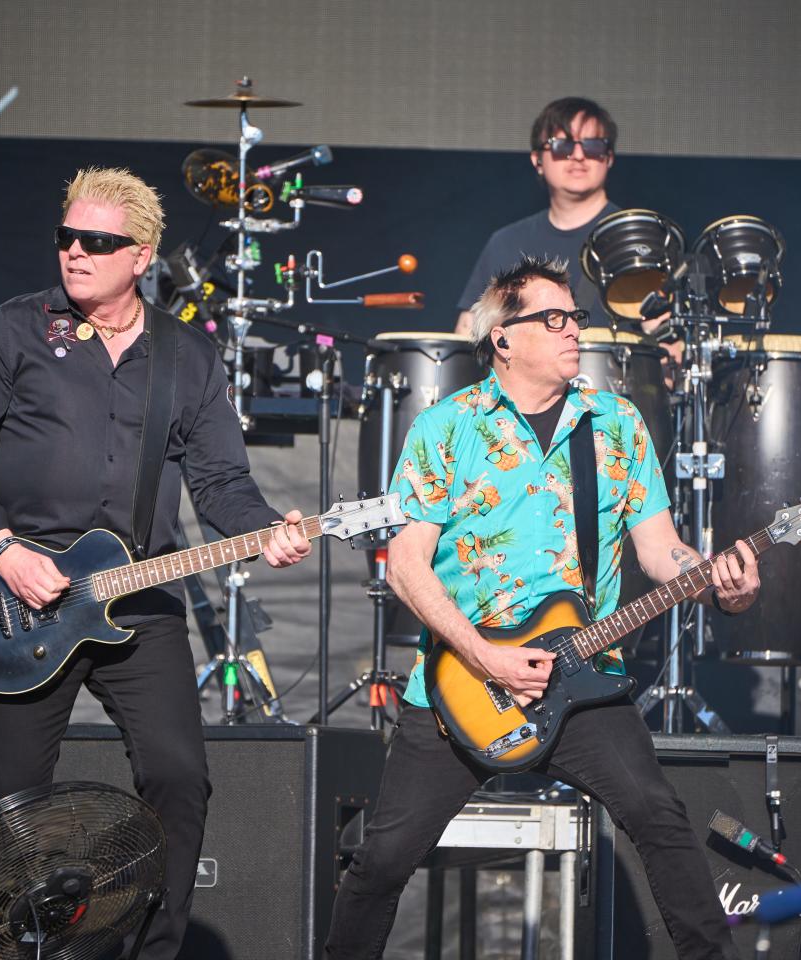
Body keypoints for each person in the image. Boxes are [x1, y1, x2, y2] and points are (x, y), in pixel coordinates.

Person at [0, 167, 311, 960]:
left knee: (179, 777)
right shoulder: (17, 327)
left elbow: (222, 484)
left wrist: (268, 529)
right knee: (7, 801)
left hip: (136, 596)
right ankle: (6, 947)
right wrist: (3, 552)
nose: (74, 253)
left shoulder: (187, 358)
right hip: (19, 597)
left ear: (141, 257)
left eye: (96, 242)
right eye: (66, 237)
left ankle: (149, 949)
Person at [325, 256, 759, 960]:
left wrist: (713, 580)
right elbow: (405, 567)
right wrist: (484, 656)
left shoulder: (615, 423)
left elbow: (660, 551)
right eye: (552, 318)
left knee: (657, 814)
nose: (573, 330)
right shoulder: (447, 427)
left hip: (582, 681)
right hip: (458, 686)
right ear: (503, 337)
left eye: (575, 318)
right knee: (381, 863)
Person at [455, 96, 620, 337]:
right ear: (537, 160)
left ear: (609, 157)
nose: (578, 155)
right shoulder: (505, 243)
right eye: (561, 145)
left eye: (592, 145)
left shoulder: (637, 237)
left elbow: (669, 340)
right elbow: (469, 332)